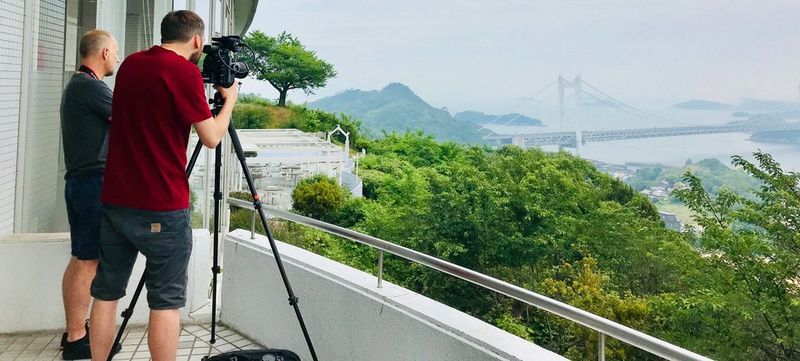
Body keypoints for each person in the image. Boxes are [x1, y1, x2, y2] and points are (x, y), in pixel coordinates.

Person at [88, 10, 238, 361]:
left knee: (107, 293)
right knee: (166, 301)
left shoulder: (131, 65)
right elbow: (212, 136)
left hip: (116, 199)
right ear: (197, 41)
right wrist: (228, 100)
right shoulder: (183, 72)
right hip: (162, 205)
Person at [59, 29, 119, 361]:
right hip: (91, 183)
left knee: (83, 258)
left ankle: (78, 332)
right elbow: (128, 118)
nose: (118, 58)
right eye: (117, 52)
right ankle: (77, 339)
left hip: (84, 182)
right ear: (105, 52)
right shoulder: (90, 87)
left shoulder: (79, 85)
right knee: (88, 261)